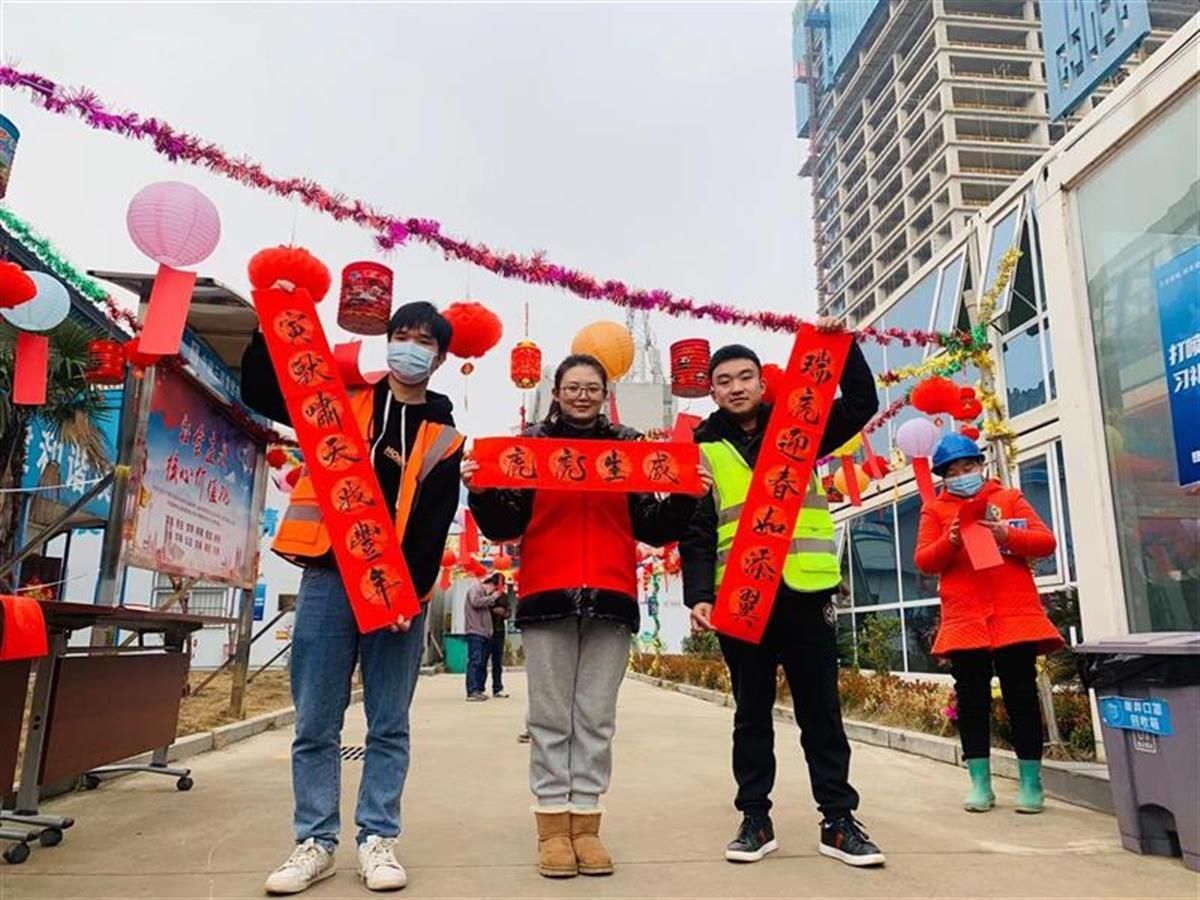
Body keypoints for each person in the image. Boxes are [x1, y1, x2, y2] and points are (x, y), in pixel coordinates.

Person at [242, 301, 464, 894]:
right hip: (328, 579)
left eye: (423, 341)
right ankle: (314, 840)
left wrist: (406, 596)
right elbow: (264, 390)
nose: (410, 348)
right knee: (316, 718)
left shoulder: (445, 436)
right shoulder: (342, 401)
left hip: (398, 596)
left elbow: (434, 523)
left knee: (388, 721)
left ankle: (377, 838)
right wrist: (273, 325)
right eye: (402, 336)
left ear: (439, 358)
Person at [462, 353, 710, 879]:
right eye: (572, 386)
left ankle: (587, 827)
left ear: (604, 392)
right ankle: (553, 826)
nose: (581, 395)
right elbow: (504, 523)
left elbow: (652, 525)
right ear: (556, 392)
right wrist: (480, 490)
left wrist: (688, 498)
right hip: (547, 596)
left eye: (591, 387)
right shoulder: (528, 446)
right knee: (551, 718)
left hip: (612, 597)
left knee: (595, 718)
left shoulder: (628, 447)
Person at [681, 320, 886, 868]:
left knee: (822, 709)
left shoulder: (799, 427)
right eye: (724, 380)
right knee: (750, 713)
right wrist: (698, 594)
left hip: (804, 591)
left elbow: (862, 403)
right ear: (713, 391)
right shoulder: (700, 447)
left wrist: (843, 347)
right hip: (741, 598)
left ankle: (838, 820)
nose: (736, 387)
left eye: (745, 376)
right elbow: (698, 528)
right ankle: (755, 818)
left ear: (762, 382)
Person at [915, 433, 1063, 815]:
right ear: (943, 477)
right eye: (953, 471)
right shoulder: (934, 510)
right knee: (972, 701)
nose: (962, 475)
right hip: (965, 619)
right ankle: (980, 784)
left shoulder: (1008, 499)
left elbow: (1046, 542)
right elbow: (924, 561)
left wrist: (1006, 534)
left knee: (1022, 699)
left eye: (968, 467)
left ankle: (1031, 783)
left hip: (1014, 616)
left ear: (982, 466)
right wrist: (950, 542)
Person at [464, 572, 504, 701]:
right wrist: (492, 598)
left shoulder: (483, 594)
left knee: (480, 661)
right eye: (494, 588)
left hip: (482, 633)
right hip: (475, 631)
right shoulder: (475, 589)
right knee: (475, 661)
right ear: (490, 584)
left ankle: (477, 689)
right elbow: (475, 602)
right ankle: (472, 690)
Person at [488, 574, 512, 698]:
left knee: (497, 661)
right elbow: (481, 608)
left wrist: (504, 613)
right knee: (481, 660)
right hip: (486, 630)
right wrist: (493, 610)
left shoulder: (504, 596)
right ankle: (478, 688)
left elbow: (509, 612)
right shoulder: (487, 594)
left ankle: (497, 688)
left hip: (499, 630)